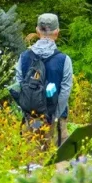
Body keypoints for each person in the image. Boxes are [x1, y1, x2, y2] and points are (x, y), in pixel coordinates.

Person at [14, 13, 73, 147]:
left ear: (37, 31)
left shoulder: (24, 57)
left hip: (32, 118)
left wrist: (26, 112)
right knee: (57, 159)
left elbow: (18, 86)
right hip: (56, 118)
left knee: (33, 155)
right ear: (57, 32)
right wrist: (54, 117)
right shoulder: (64, 60)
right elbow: (65, 91)